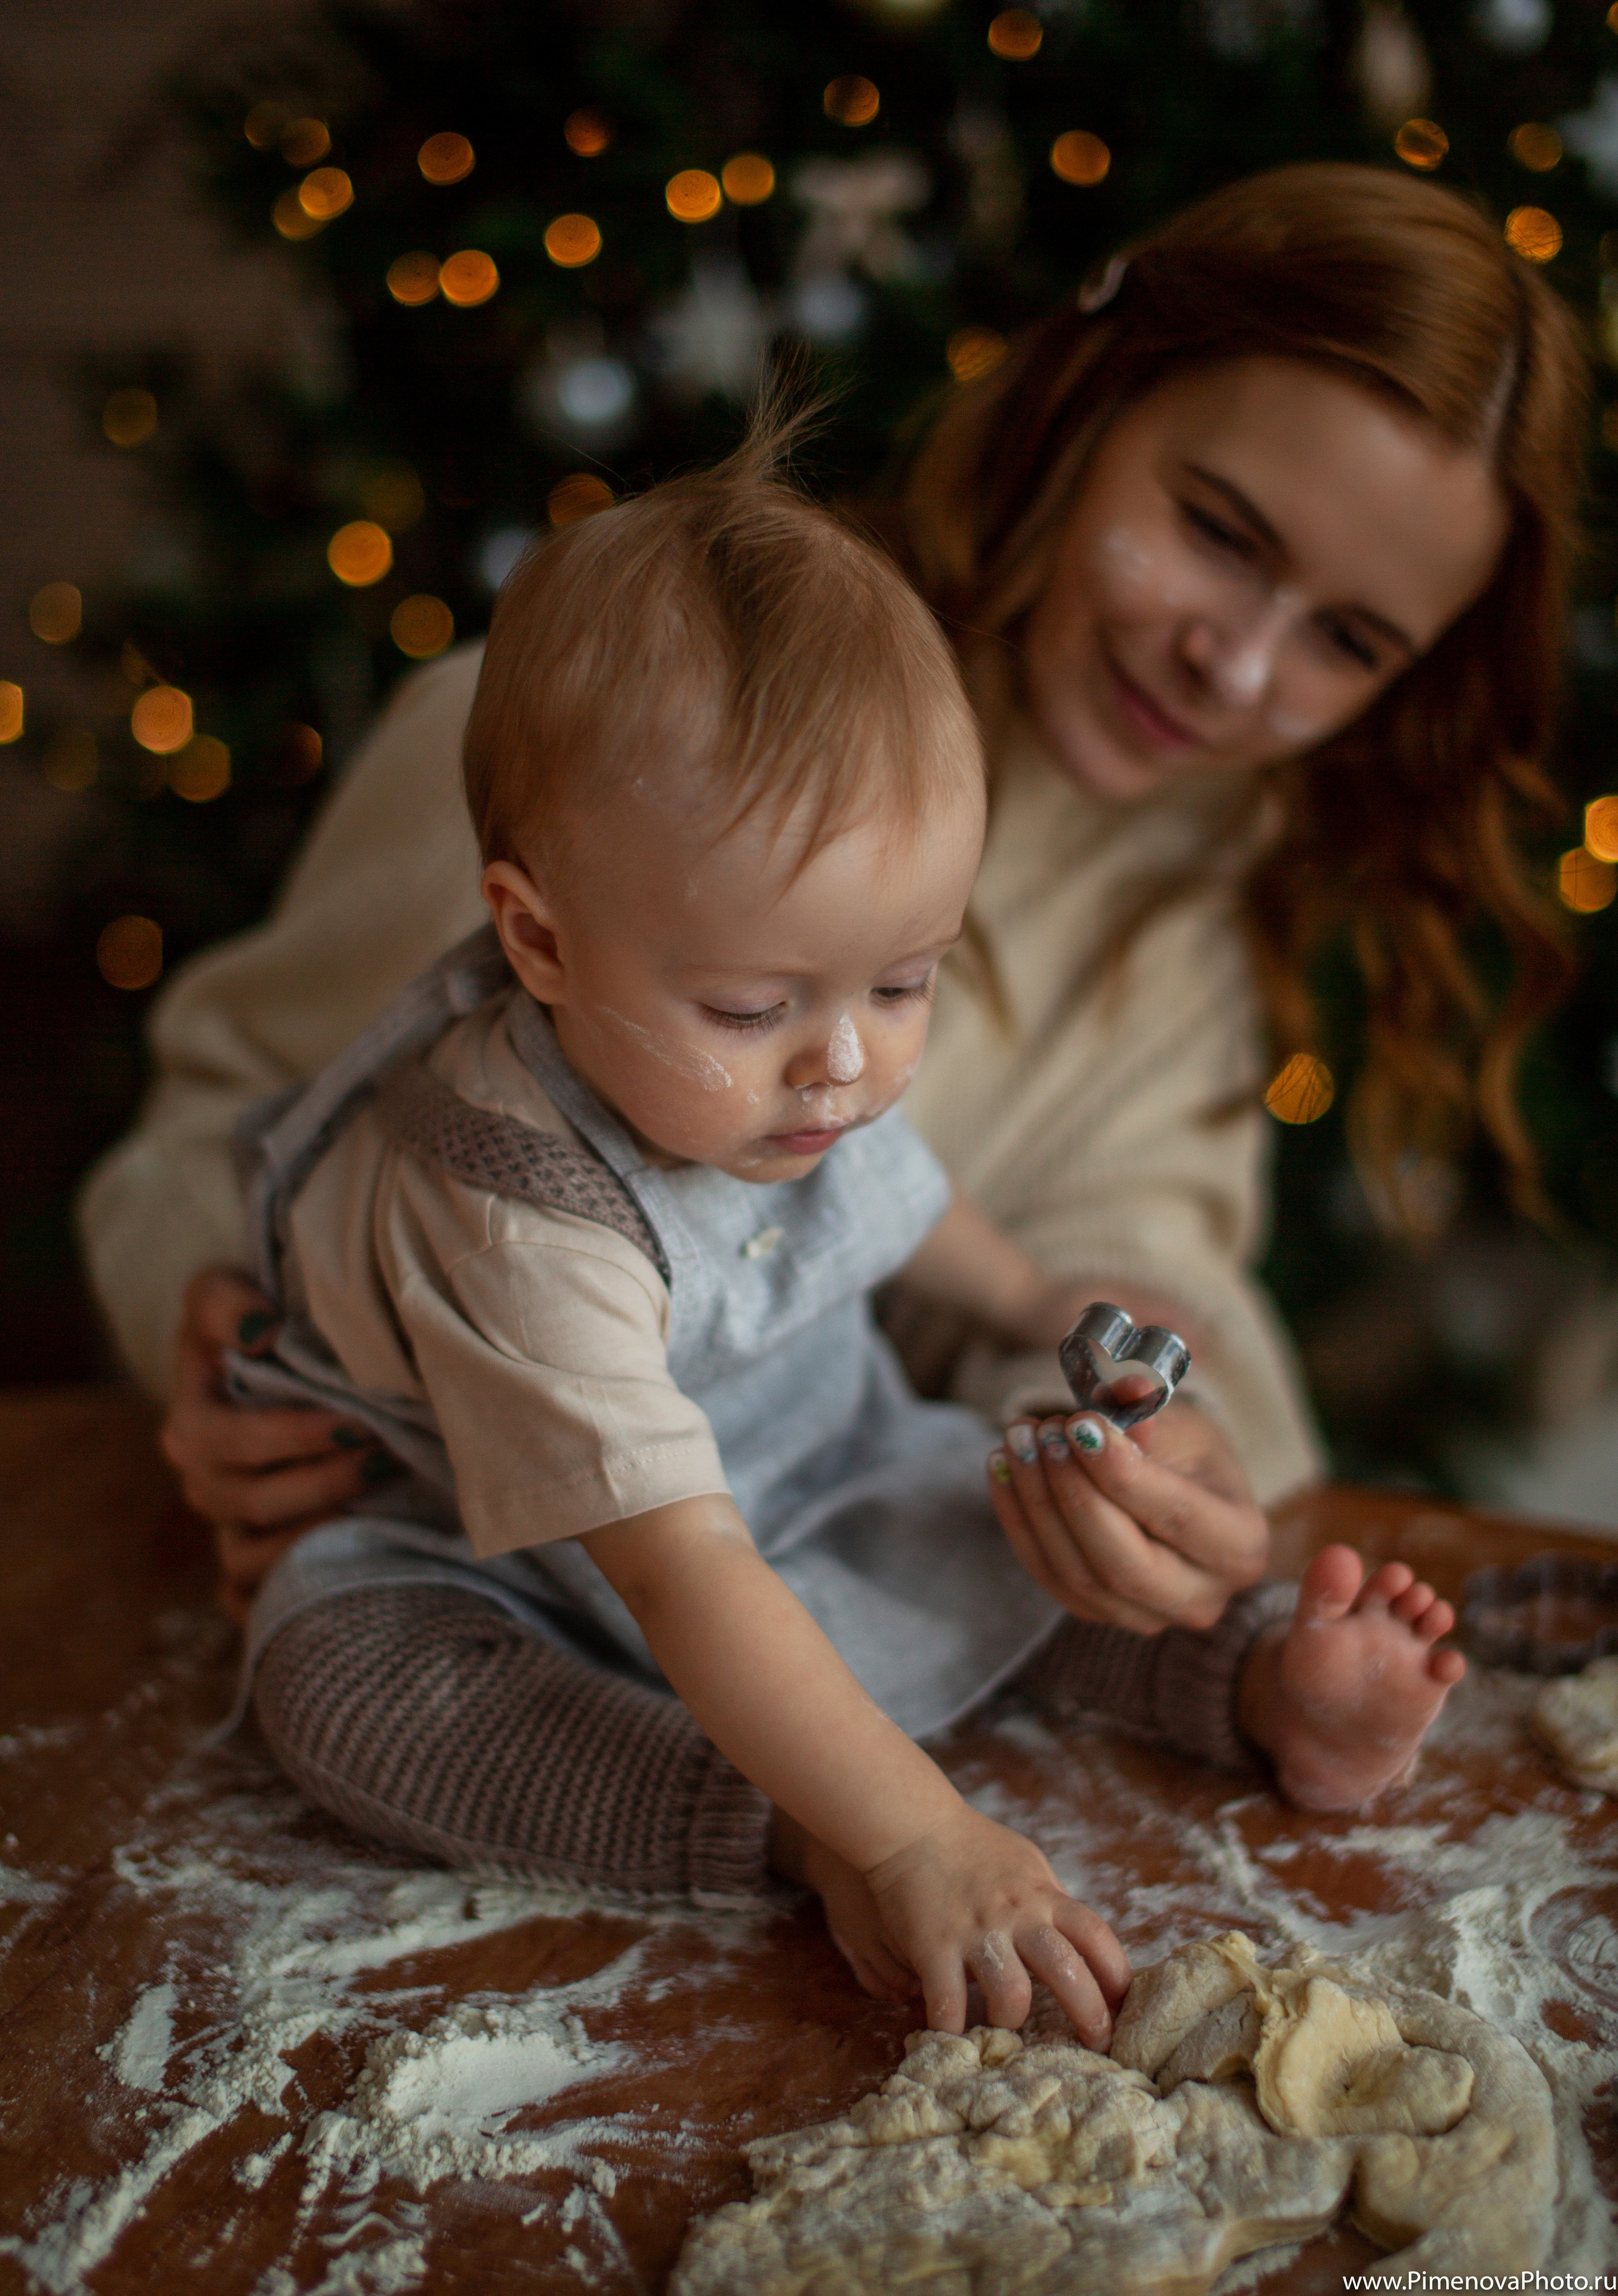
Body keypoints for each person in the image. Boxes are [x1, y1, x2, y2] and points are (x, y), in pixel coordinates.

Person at [80, 161, 1586, 1644]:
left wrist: (1129, 1440)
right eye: (1217, 531)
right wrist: (211, 1316)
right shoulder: (600, 773)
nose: (1238, 665)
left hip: (780, 1611)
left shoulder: (1190, 922)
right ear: (1083, 408)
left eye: (1345, 638)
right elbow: (209, 1134)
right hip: (453, 1583)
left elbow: (1122, 1267)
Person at [223, 431, 1465, 2036]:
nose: (844, 1064)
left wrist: (1053, 1320)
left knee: (990, 1502)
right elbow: (680, 1575)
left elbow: (930, 1224)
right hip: (519, 1565)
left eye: (904, 981)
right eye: (752, 1005)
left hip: (818, 1464)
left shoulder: (790, 1060)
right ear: (536, 937)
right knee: (341, 1683)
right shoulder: (514, 1205)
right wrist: (912, 1833)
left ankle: (1248, 1683)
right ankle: (790, 1822)